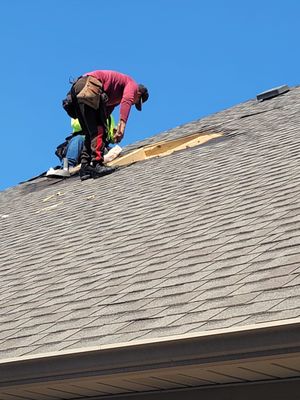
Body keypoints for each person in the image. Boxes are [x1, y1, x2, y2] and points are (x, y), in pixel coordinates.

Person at [63, 70, 149, 180]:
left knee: (91, 132)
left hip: (79, 89)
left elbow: (105, 114)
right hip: (90, 86)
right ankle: (97, 164)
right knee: (99, 130)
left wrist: (110, 130)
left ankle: (85, 167)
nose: (133, 103)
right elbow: (127, 101)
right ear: (139, 94)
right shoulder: (132, 84)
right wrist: (121, 127)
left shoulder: (115, 94)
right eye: (136, 101)